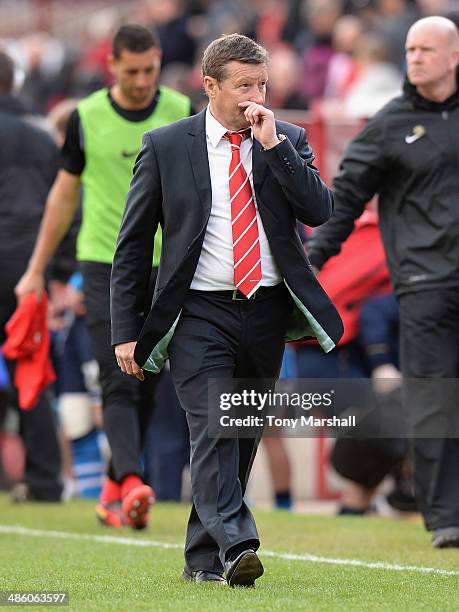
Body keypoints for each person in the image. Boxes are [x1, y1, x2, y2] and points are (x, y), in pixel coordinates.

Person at [111, 33, 343, 586]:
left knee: (239, 433)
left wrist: (274, 148)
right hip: (197, 312)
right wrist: (127, 330)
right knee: (215, 423)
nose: (256, 95)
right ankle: (240, 543)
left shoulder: (284, 137)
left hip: (265, 310)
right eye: (244, 86)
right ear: (210, 85)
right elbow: (134, 244)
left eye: (262, 84)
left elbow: (318, 210)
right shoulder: (167, 145)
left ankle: (201, 560)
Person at [15, 24, 193, 529]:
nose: (141, 81)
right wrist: (36, 268)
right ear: (111, 65)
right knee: (117, 373)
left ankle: (116, 486)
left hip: (166, 262)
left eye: (149, 70)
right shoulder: (85, 118)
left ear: (159, 62)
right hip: (103, 262)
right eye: (131, 70)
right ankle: (135, 482)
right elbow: (62, 196)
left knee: (149, 381)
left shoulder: (181, 112)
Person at [308, 16, 459, 548]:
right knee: (432, 397)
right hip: (422, 283)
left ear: (454, 56)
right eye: (411, 49)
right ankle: (446, 519)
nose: (415, 57)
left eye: (426, 50)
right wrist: (313, 262)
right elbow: (345, 199)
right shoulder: (391, 122)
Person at [0, 49, 62, 502]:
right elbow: (63, 208)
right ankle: (43, 480)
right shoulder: (42, 139)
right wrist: (56, 273)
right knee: (32, 372)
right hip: (32, 271)